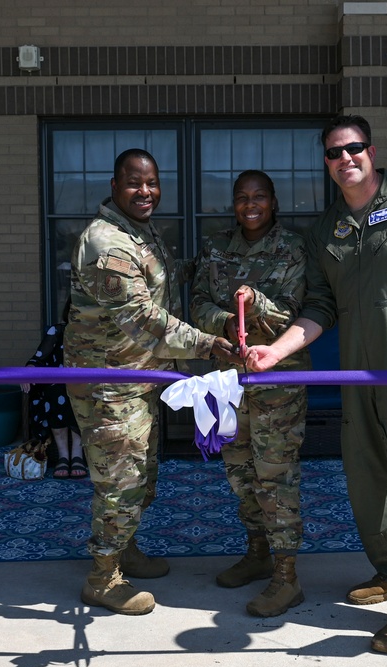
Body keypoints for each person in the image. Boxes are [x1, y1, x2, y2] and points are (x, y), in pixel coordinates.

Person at [246, 115, 387, 654]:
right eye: (333, 153)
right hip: (359, 377)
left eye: (353, 148)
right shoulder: (327, 230)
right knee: (368, 483)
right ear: (326, 163)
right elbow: (321, 306)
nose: (344, 158)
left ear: (370, 151)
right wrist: (275, 351)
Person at [64, 148, 237, 616]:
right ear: (115, 184)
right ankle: (102, 576)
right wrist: (207, 344)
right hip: (108, 385)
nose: (146, 192)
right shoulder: (107, 245)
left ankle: (124, 548)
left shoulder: (137, 232)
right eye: (134, 183)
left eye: (152, 183)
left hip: (137, 379)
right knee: (121, 480)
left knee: (141, 475)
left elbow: (163, 281)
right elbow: (141, 318)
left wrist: (215, 262)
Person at [190, 170, 310, 618]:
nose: (250, 204)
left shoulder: (293, 248)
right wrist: (222, 320)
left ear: (273, 202)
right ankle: (258, 551)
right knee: (240, 473)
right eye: (242, 197)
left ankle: (287, 576)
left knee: (275, 478)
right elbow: (197, 301)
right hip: (227, 382)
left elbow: (296, 316)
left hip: (277, 386)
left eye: (259, 196)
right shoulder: (217, 246)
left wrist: (255, 302)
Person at [20, 296, 87, 479]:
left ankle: (77, 454)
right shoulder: (57, 331)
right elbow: (38, 358)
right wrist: (29, 370)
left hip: (86, 386)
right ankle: (64, 455)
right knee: (58, 391)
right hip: (56, 386)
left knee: (80, 392)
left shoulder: (95, 336)